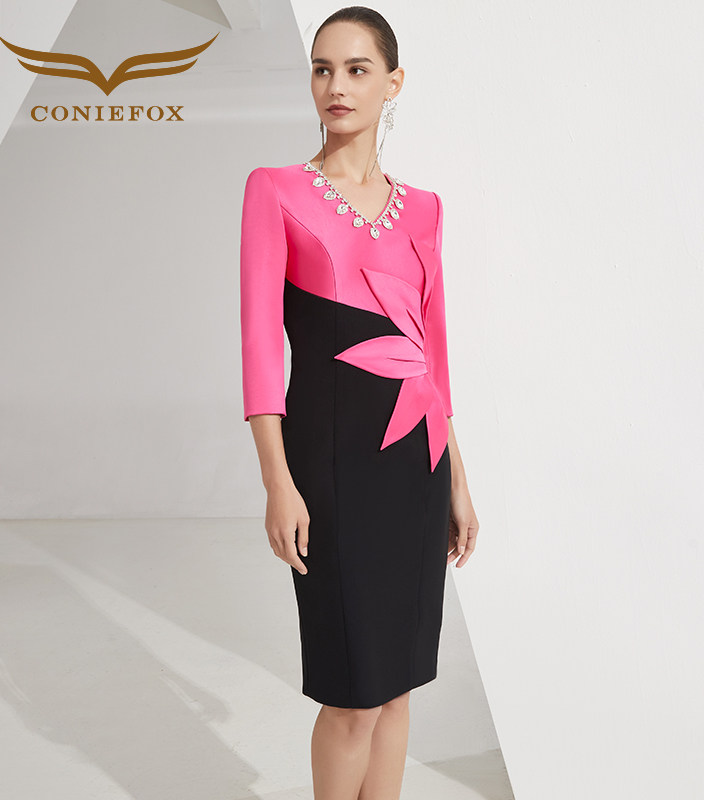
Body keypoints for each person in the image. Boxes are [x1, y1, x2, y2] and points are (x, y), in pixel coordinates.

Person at [239, 6, 480, 798]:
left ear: (392, 83)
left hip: (417, 466)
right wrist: (277, 482)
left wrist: (457, 479)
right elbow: (259, 351)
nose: (336, 86)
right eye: (322, 69)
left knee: (398, 685)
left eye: (356, 69)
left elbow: (432, 356)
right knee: (352, 696)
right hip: (332, 468)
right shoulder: (275, 191)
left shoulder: (426, 209)